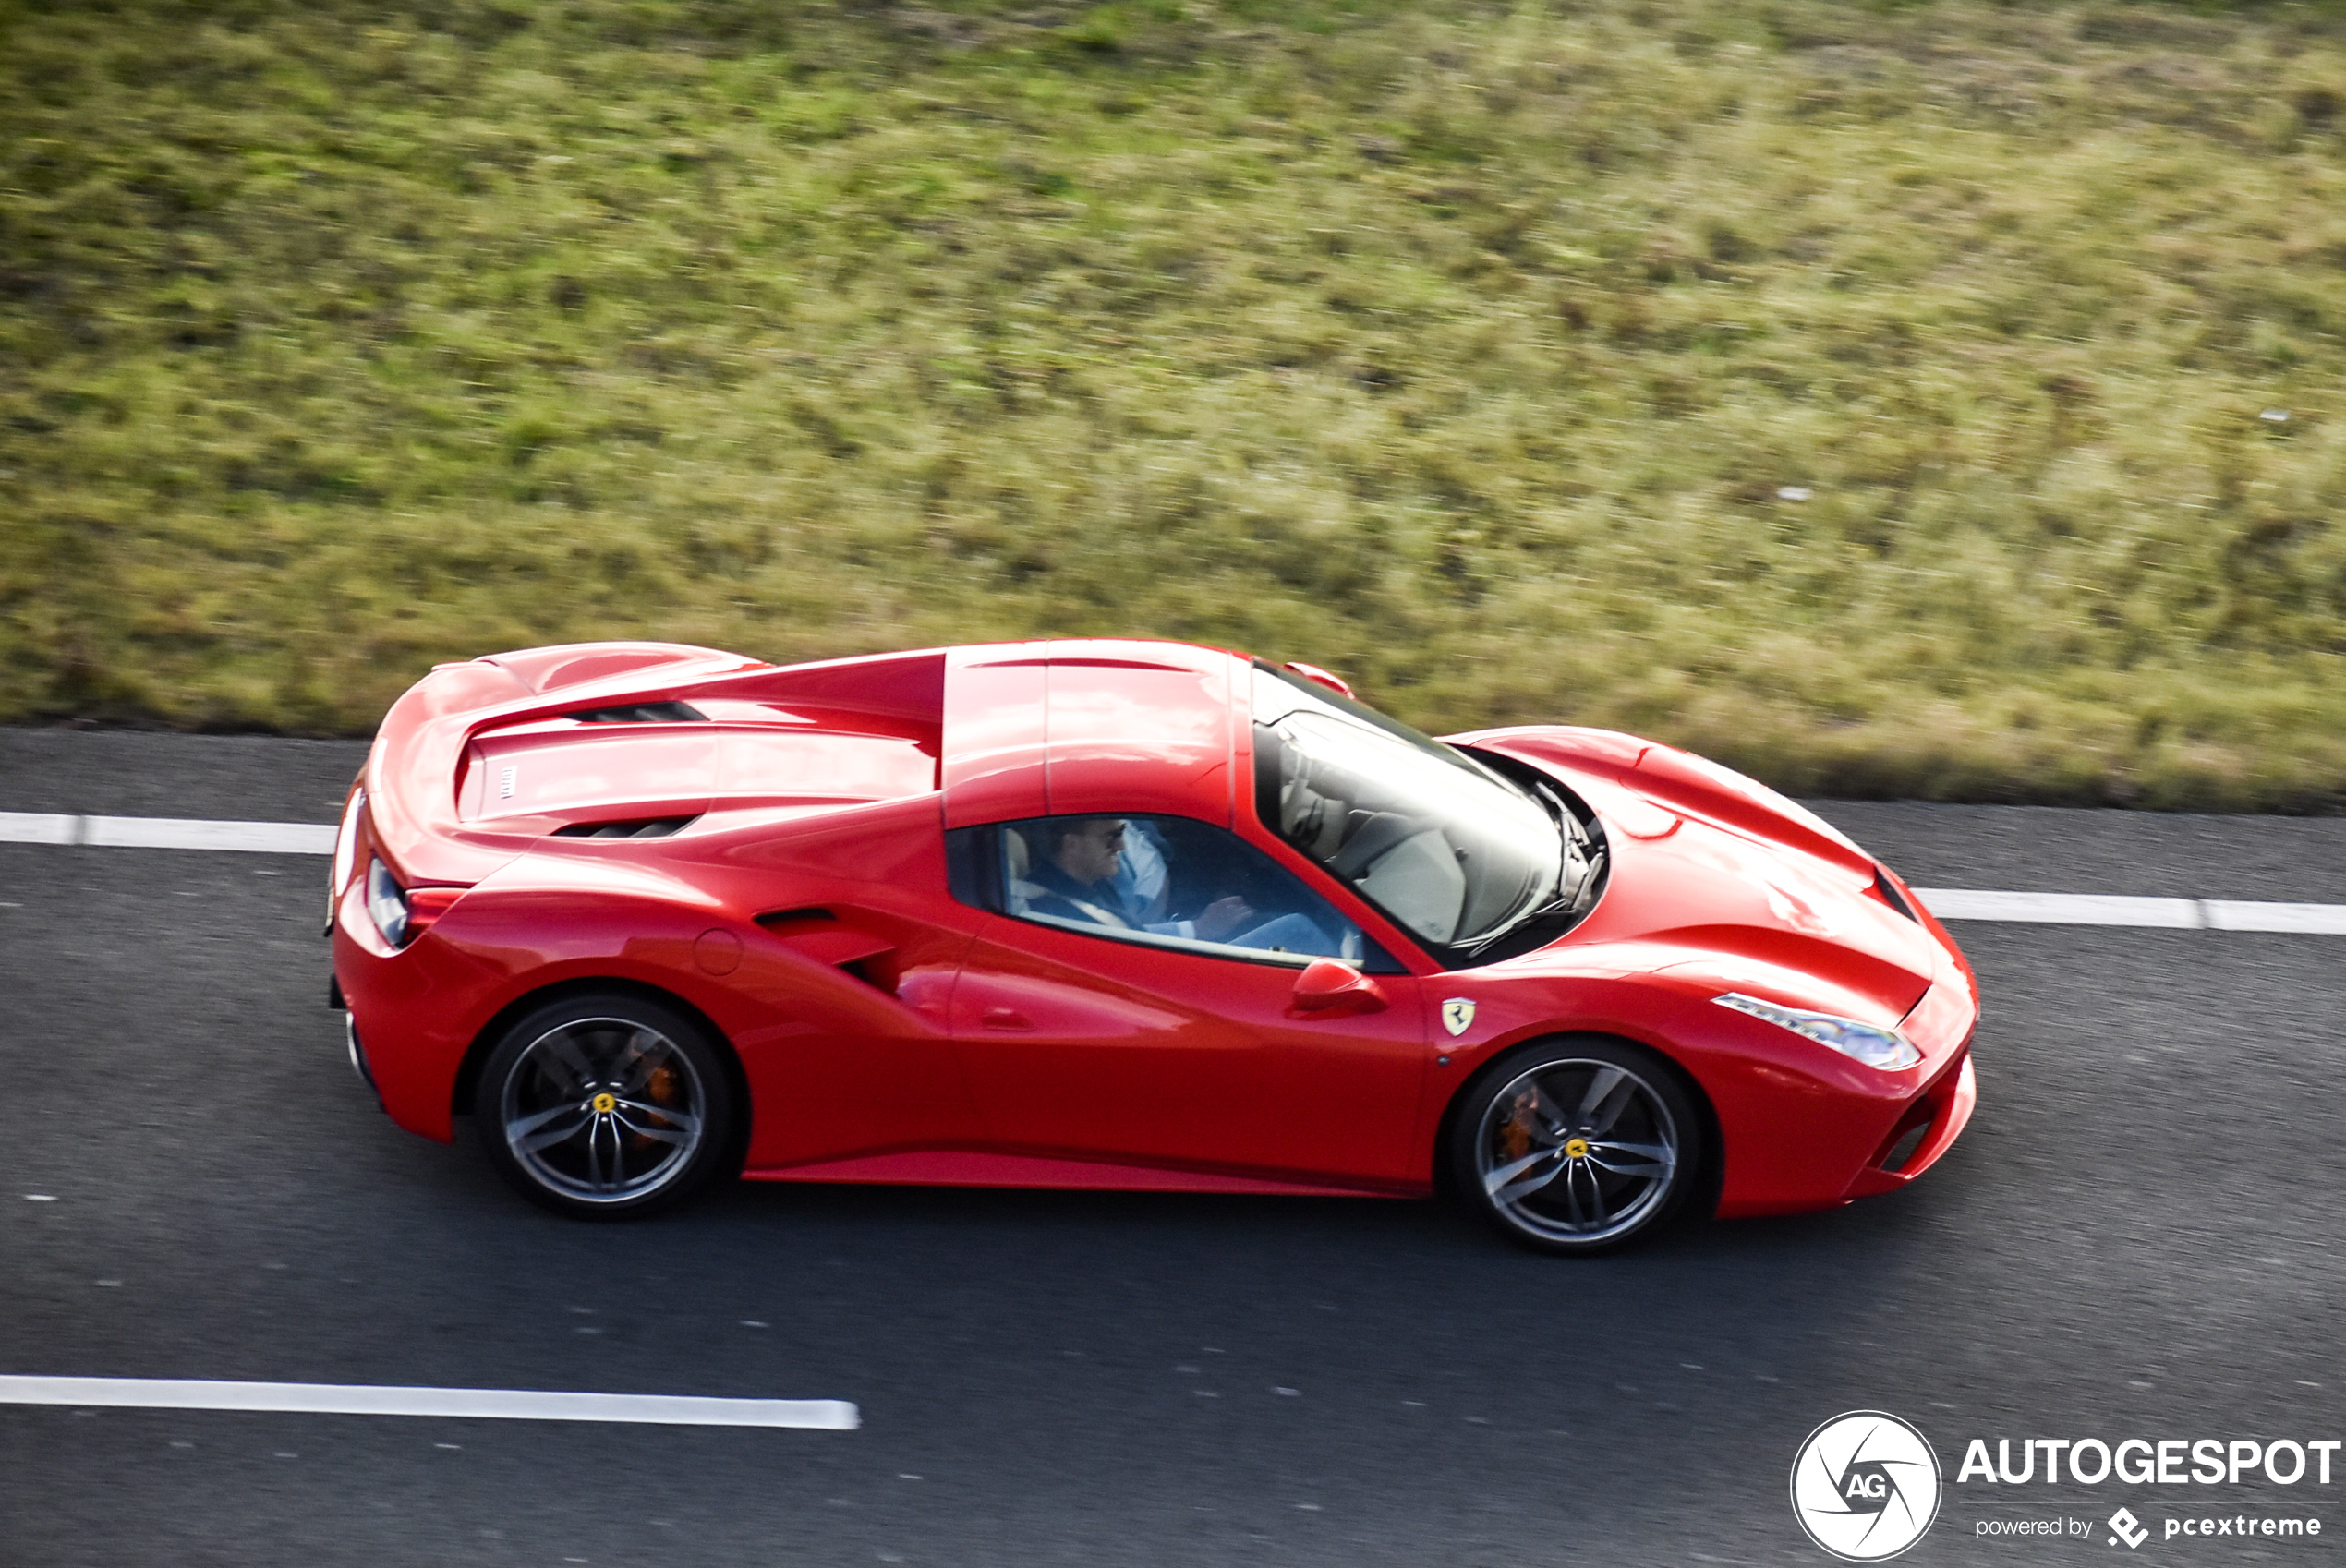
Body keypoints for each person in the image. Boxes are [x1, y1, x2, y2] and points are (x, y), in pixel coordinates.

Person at [1023, 816, 1336, 956]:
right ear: (1071, 845)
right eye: (1111, 836)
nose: (1120, 845)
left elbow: (1130, 935)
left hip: (1151, 964)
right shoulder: (1063, 908)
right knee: (1299, 929)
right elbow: (1133, 945)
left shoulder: (1084, 883)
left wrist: (1198, 929)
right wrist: (1198, 931)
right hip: (1163, 989)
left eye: (1122, 832)